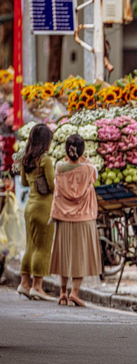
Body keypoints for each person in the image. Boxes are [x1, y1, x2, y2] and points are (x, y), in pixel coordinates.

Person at [49, 134, 101, 307]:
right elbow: (94, 175)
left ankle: (63, 292)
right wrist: (84, 160)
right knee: (81, 257)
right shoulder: (89, 169)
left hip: (63, 217)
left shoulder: (59, 167)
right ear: (82, 150)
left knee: (65, 255)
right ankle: (75, 293)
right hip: (84, 218)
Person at [17, 123, 55, 301]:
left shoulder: (26, 159)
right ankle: (37, 286)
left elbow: (24, 183)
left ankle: (24, 283)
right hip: (43, 207)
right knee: (43, 247)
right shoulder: (45, 160)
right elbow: (53, 185)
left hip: (30, 207)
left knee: (30, 246)